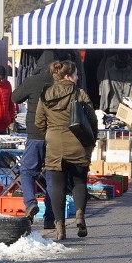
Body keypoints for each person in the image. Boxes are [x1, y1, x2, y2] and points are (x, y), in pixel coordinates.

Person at [35, 60, 98, 241]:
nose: (78, 77)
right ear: (68, 76)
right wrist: (91, 139)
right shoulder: (80, 93)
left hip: (55, 144)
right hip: (78, 142)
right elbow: (92, 119)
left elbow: (39, 122)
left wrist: (50, 134)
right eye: (76, 74)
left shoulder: (46, 94)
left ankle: (60, 228)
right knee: (79, 182)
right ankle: (79, 215)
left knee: (57, 186)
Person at [12, 51, 56, 228]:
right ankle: (50, 219)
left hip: (35, 134)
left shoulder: (32, 80)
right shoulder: (59, 82)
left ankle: (30, 202)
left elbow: (15, 97)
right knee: (53, 176)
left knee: (27, 171)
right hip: (55, 135)